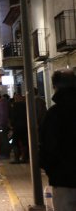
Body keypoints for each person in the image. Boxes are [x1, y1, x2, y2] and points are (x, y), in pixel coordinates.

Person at [39, 69, 76, 211]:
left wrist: (50, 170)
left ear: (55, 87)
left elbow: (48, 147)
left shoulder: (54, 114)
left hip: (63, 180)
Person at [9, 94, 28, 164]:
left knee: (15, 142)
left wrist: (12, 125)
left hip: (17, 127)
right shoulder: (25, 105)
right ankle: (24, 158)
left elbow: (13, 117)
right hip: (25, 126)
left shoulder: (15, 106)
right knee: (24, 142)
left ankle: (17, 158)